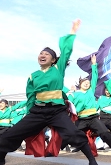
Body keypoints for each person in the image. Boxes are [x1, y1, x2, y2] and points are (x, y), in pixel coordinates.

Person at [0, 19, 98, 165]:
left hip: (56, 111)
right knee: (12, 133)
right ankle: (1, 156)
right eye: (41, 53)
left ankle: (91, 160)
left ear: (53, 60)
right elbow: (30, 96)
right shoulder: (33, 75)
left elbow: (66, 50)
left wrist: (72, 32)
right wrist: (30, 111)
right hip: (37, 111)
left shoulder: (58, 69)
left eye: (46, 54)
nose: (42, 55)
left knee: (73, 134)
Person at [68, 55, 111, 156]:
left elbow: (94, 76)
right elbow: (68, 104)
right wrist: (70, 92)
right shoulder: (75, 94)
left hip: (93, 118)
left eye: (88, 82)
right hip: (81, 119)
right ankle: (78, 146)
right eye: (84, 82)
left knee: (105, 133)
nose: (87, 84)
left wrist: (94, 64)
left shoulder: (91, 91)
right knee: (74, 134)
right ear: (80, 84)